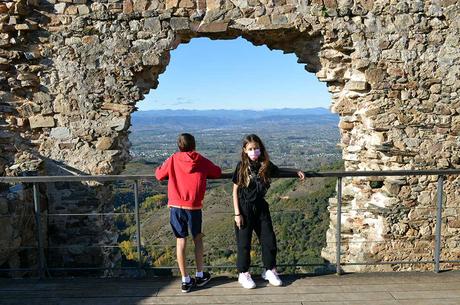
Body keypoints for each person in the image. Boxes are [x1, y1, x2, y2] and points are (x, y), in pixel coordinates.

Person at [232, 134, 305, 289]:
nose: (254, 151)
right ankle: (243, 273)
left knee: (268, 239)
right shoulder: (242, 167)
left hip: (261, 207)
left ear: (261, 149)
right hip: (244, 209)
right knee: (244, 243)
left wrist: (296, 171)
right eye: (250, 149)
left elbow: (279, 171)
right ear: (245, 150)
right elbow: (235, 190)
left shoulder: (266, 165)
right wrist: (237, 213)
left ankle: (270, 270)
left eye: (256, 148)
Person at [155, 133, 222, 293]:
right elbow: (217, 172)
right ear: (194, 145)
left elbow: (159, 175)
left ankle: (185, 280)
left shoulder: (173, 159)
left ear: (179, 146)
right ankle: (200, 275)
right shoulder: (200, 159)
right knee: (197, 239)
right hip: (194, 207)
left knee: (180, 241)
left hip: (176, 206)